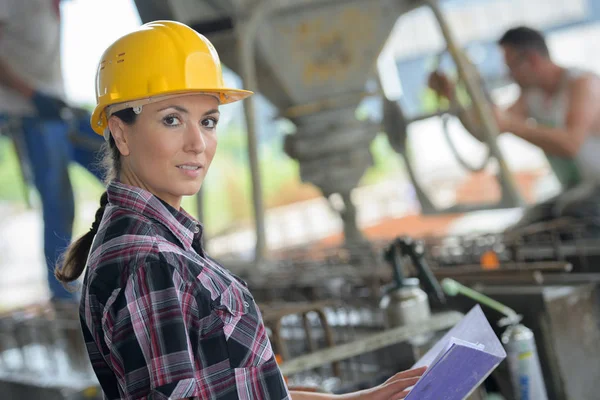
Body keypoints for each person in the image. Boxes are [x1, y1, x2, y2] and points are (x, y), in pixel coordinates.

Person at [54, 20, 426, 399]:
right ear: (120, 133)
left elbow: (231, 390)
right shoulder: (152, 264)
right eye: (172, 120)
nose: (198, 143)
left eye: (208, 121)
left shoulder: (159, 247)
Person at [429, 26, 600, 232]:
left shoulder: (582, 84)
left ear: (532, 59)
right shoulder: (531, 96)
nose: (509, 75)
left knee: (570, 211)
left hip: (593, 188)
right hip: (574, 189)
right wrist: (452, 97)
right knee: (520, 231)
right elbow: (486, 129)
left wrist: (511, 124)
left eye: (511, 67)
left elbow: (571, 144)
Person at [0, 0, 105, 302]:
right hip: (27, 113)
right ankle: (61, 296)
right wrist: (32, 95)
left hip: (58, 106)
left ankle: (146, 257)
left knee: (125, 170)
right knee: (59, 202)